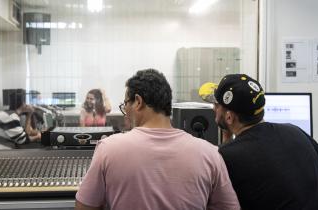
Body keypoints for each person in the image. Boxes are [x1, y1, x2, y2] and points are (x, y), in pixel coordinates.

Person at [75, 69, 240, 210]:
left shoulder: (108, 149)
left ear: (138, 102)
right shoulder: (210, 154)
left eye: (126, 103)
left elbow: (84, 207)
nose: (125, 110)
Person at [199, 73, 318, 210]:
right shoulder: (294, 131)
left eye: (216, 105)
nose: (214, 109)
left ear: (229, 117)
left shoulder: (226, 157)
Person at [0, 90, 41, 158]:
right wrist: (38, 136)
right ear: (24, 105)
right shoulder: (11, 117)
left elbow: (24, 134)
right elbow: (22, 140)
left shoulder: (7, 114)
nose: (31, 105)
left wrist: (30, 114)